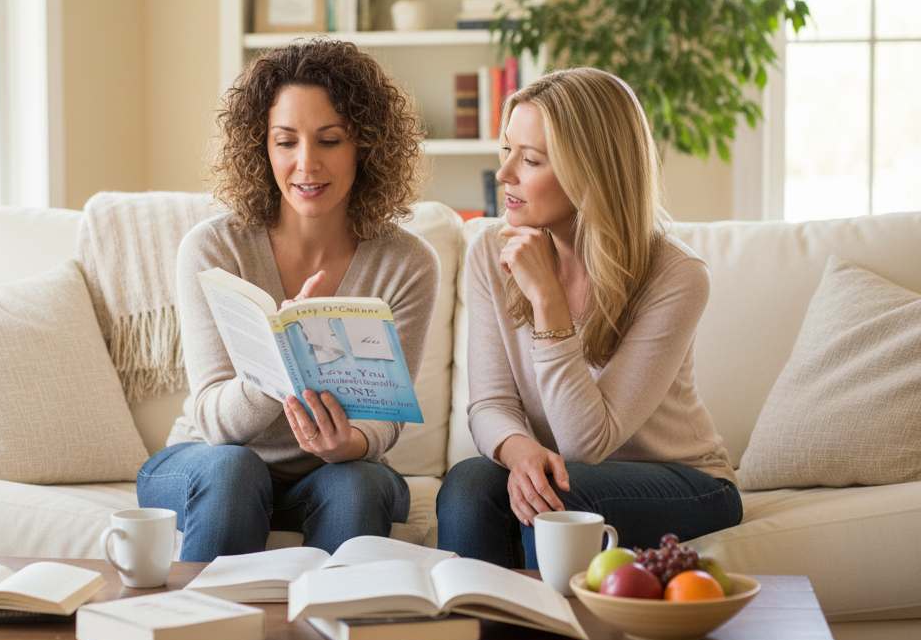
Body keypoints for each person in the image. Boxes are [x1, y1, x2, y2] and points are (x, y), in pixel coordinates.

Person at [137, 38, 440, 562]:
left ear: (365, 144)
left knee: (357, 484)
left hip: (332, 473)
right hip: (211, 459)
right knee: (236, 470)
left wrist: (351, 445)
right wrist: (275, 357)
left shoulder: (408, 262)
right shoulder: (213, 248)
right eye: (285, 142)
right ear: (260, 146)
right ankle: (207, 631)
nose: (306, 165)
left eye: (330, 140)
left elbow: (386, 416)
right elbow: (213, 421)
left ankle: (334, 634)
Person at [436, 67, 741, 568]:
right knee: (468, 483)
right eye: (507, 150)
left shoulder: (676, 275)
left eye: (530, 159)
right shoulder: (491, 252)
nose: (505, 174)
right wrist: (520, 453)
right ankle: (479, 639)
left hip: (684, 482)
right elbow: (489, 403)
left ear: (591, 172)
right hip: (568, 474)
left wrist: (548, 302)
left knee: (562, 499)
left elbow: (586, 442)